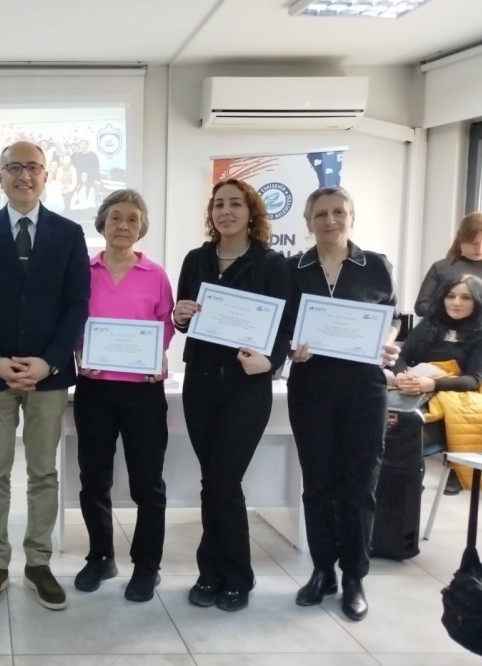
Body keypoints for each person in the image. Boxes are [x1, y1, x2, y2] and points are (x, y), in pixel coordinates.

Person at [0, 140, 90, 613]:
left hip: (47, 377)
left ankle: (38, 563)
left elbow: (76, 303)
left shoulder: (69, 233)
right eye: (14, 167)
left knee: (43, 473)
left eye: (33, 167)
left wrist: (49, 362)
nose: (24, 175)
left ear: (46, 176)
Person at [172, 178, 291, 613]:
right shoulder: (196, 259)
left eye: (235, 204)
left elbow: (285, 327)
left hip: (246, 386)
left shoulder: (271, 264)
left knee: (224, 480)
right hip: (200, 382)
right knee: (212, 481)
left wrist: (271, 362)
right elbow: (184, 317)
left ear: (251, 212)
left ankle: (236, 574)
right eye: (219, 204)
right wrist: (179, 315)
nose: (226, 211)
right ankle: (211, 572)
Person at [286, 186, 400, 622]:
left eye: (339, 212)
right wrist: (290, 346)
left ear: (352, 217)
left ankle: (354, 576)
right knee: (316, 483)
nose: (330, 220)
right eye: (321, 214)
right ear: (308, 222)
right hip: (311, 385)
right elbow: (283, 324)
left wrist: (388, 343)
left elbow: (392, 317)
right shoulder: (292, 268)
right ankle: (322, 571)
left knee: (358, 485)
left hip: (363, 388)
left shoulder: (376, 265)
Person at [72, 189, 174, 603]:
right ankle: (100, 557)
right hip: (95, 388)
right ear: (102, 223)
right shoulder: (83, 271)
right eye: (115, 217)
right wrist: (79, 352)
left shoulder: (156, 274)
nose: (123, 225)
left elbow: (166, 324)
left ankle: (147, 566)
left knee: (147, 484)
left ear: (142, 227)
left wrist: (156, 355)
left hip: (143, 392)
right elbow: (70, 320)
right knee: (94, 480)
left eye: (133, 218)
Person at [394, 274, 482, 494]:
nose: (456, 302)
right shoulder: (428, 326)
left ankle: (407, 495)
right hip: (414, 390)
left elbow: (474, 380)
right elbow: (402, 356)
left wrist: (432, 384)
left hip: (453, 401)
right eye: (450, 296)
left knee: (405, 438)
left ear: (478, 302)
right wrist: (400, 375)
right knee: (381, 427)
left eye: (466, 298)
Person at [415, 212, 482, 318]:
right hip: (445, 326)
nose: (480, 249)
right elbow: (421, 306)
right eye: (474, 243)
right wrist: (453, 312)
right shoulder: (441, 268)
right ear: (461, 240)